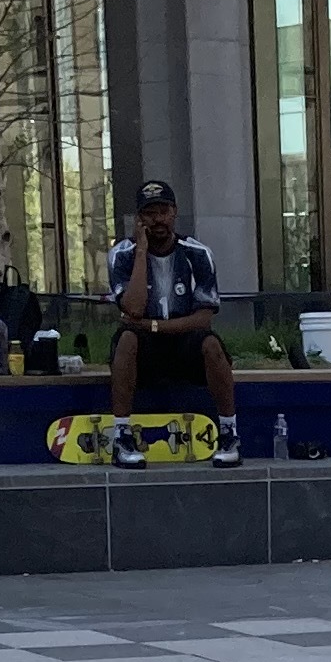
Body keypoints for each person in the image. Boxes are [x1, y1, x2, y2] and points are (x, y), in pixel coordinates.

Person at [104, 185, 239, 466]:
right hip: (145, 353)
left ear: (174, 213)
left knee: (212, 344)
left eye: (163, 212)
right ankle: (122, 437)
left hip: (184, 345)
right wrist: (141, 252)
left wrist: (152, 326)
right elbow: (133, 308)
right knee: (127, 340)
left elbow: (204, 317)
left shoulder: (198, 254)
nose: (158, 220)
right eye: (149, 214)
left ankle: (229, 433)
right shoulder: (122, 255)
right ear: (138, 220)